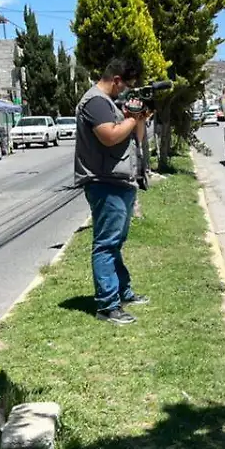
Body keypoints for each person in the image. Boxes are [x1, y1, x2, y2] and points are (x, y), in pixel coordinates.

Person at [74, 57, 153, 325]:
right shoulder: (95, 102)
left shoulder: (111, 104)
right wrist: (132, 117)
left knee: (115, 243)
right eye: (127, 85)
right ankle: (107, 306)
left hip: (120, 181)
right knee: (106, 244)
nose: (128, 90)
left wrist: (140, 118)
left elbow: (136, 138)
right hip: (104, 182)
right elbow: (109, 136)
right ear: (116, 80)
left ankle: (122, 292)